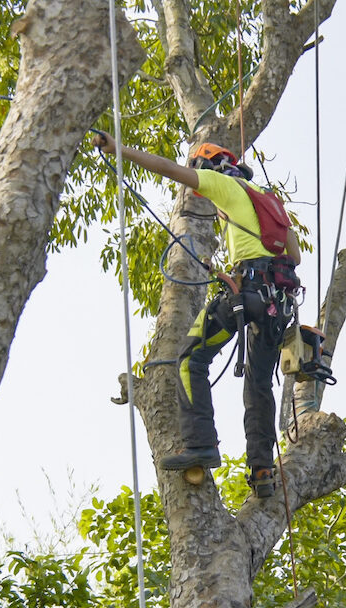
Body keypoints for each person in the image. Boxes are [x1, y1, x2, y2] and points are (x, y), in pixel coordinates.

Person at [91, 132, 301, 498]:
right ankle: (262, 469)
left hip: (249, 296)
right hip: (276, 307)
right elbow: (294, 257)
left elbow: (169, 170)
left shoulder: (225, 185)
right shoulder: (270, 204)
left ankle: (200, 443)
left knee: (191, 358)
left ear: (212, 168)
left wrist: (117, 149)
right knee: (259, 384)